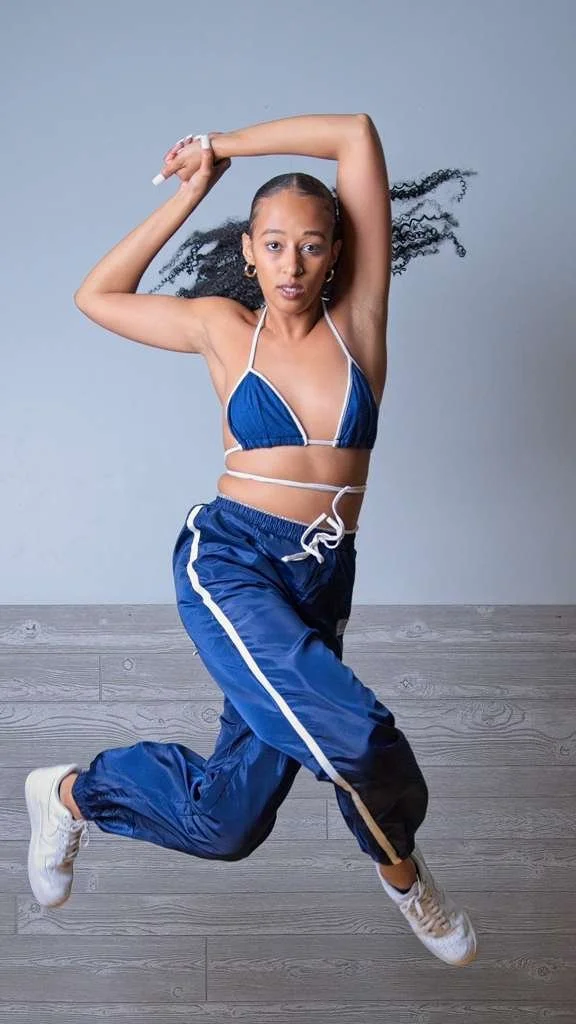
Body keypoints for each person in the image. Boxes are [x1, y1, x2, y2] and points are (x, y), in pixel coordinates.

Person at [25, 114, 477, 967]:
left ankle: (71, 794)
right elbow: (97, 296)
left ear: (338, 252)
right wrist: (199, 182)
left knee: (229, 822)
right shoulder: (224, 329)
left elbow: (356, 135)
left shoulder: (363, 321)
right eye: (273, 246)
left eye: (310, 246)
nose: (292, 266)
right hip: (230, 561)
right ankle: (405, 879)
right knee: (355, 732)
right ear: (248, 252)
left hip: (318, 580)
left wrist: (228, 140)